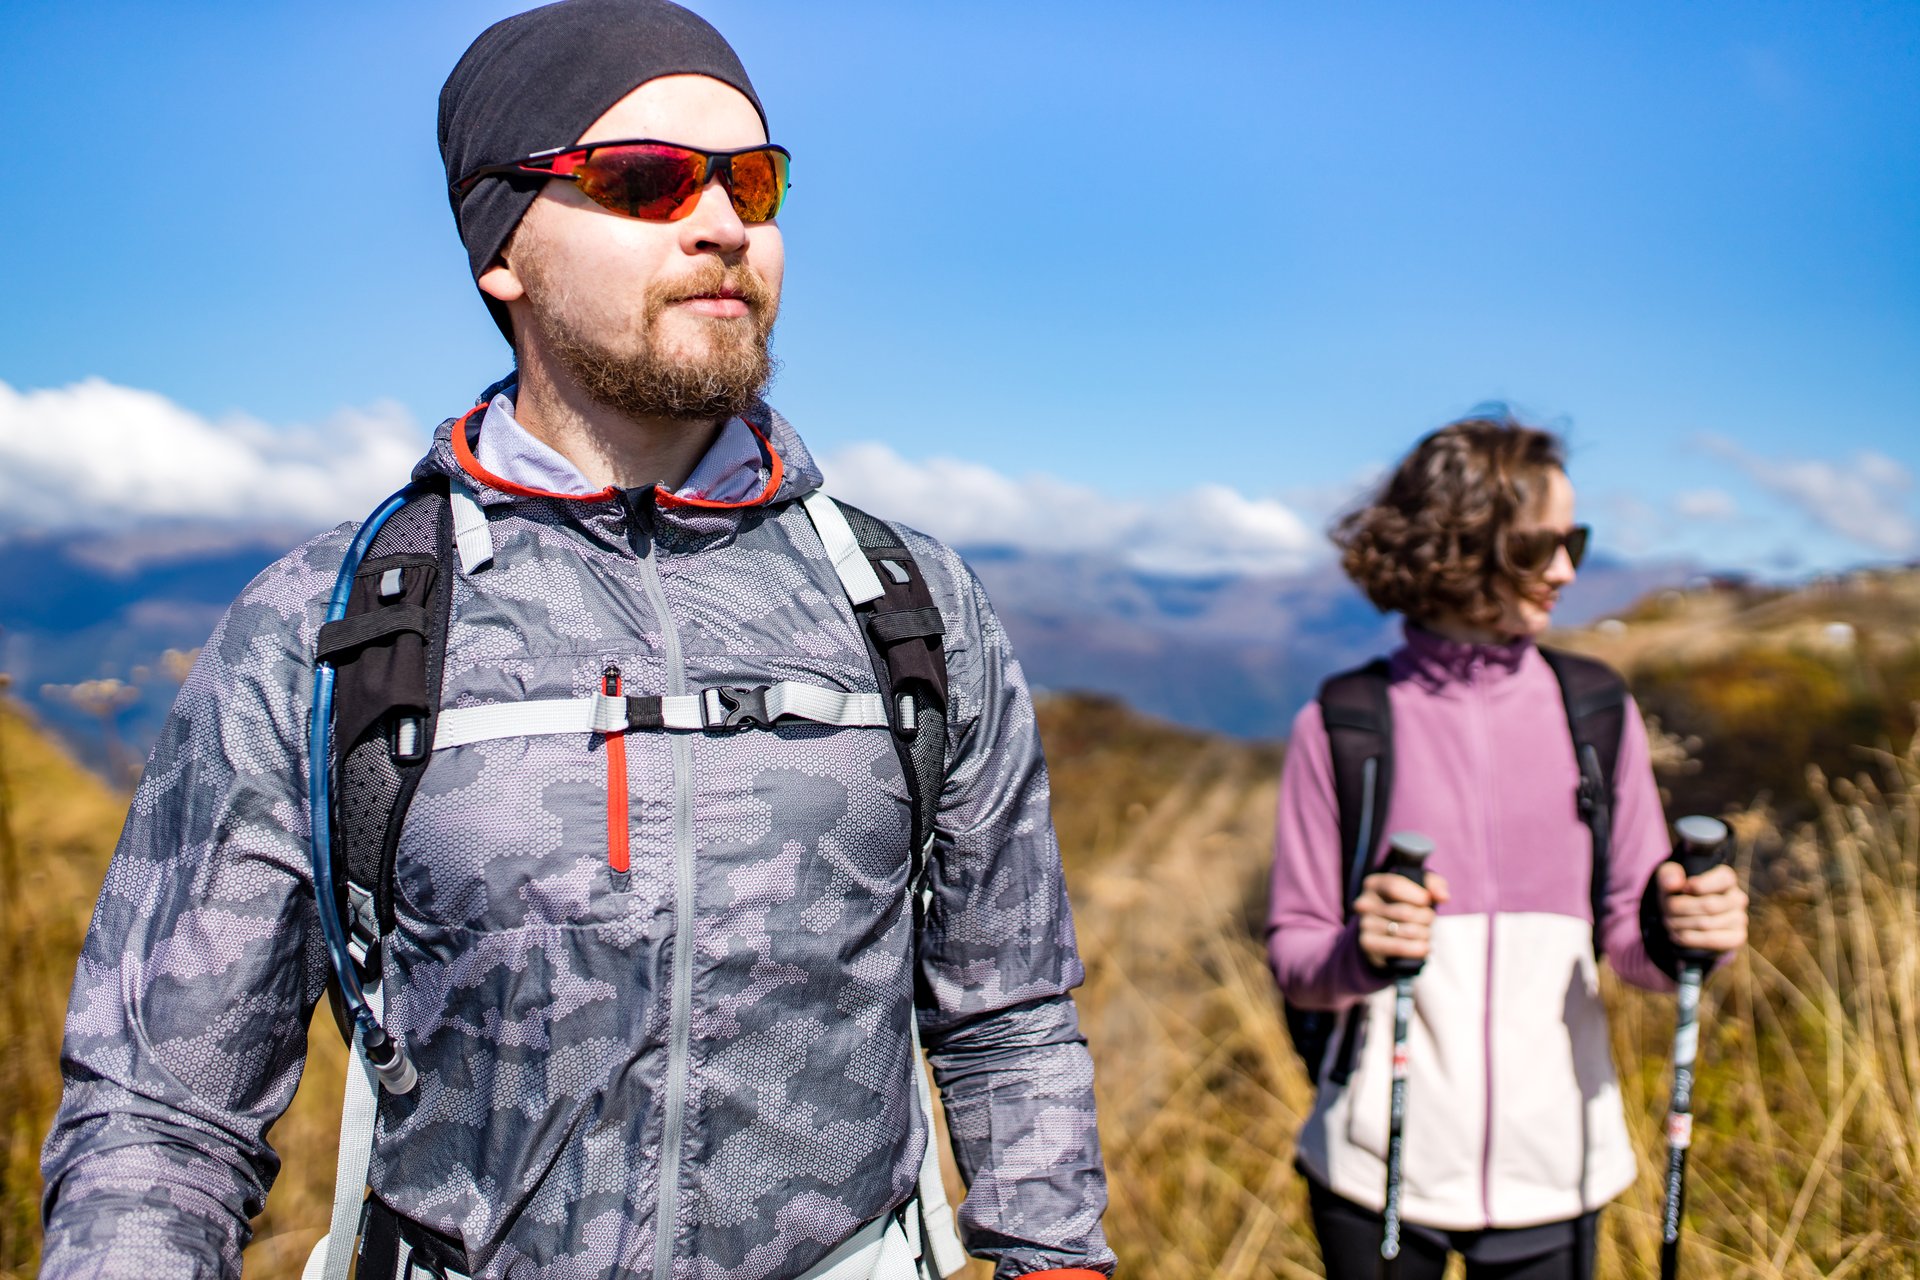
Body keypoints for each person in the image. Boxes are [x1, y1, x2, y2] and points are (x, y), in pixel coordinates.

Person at [38, 3, 1115, 1278]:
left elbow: (1012, 1018)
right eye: (646, 180)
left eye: (753, 181)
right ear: (503, 250)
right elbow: (164, 1111)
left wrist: (1053, 1260)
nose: (725, 225)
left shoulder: (911, 603)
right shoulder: (326, 622)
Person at [1265, 416, 1748, 1280]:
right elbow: (1298, 955)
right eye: (1538, 546)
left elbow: (1637, 949)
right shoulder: (1343, 722)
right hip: (1373, 1164)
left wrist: (1688, 931)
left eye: (1576, 541)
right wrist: (1363, 951)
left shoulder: (1597, 709)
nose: (1566, 568)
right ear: (1454, 544)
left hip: (1556, 1169)